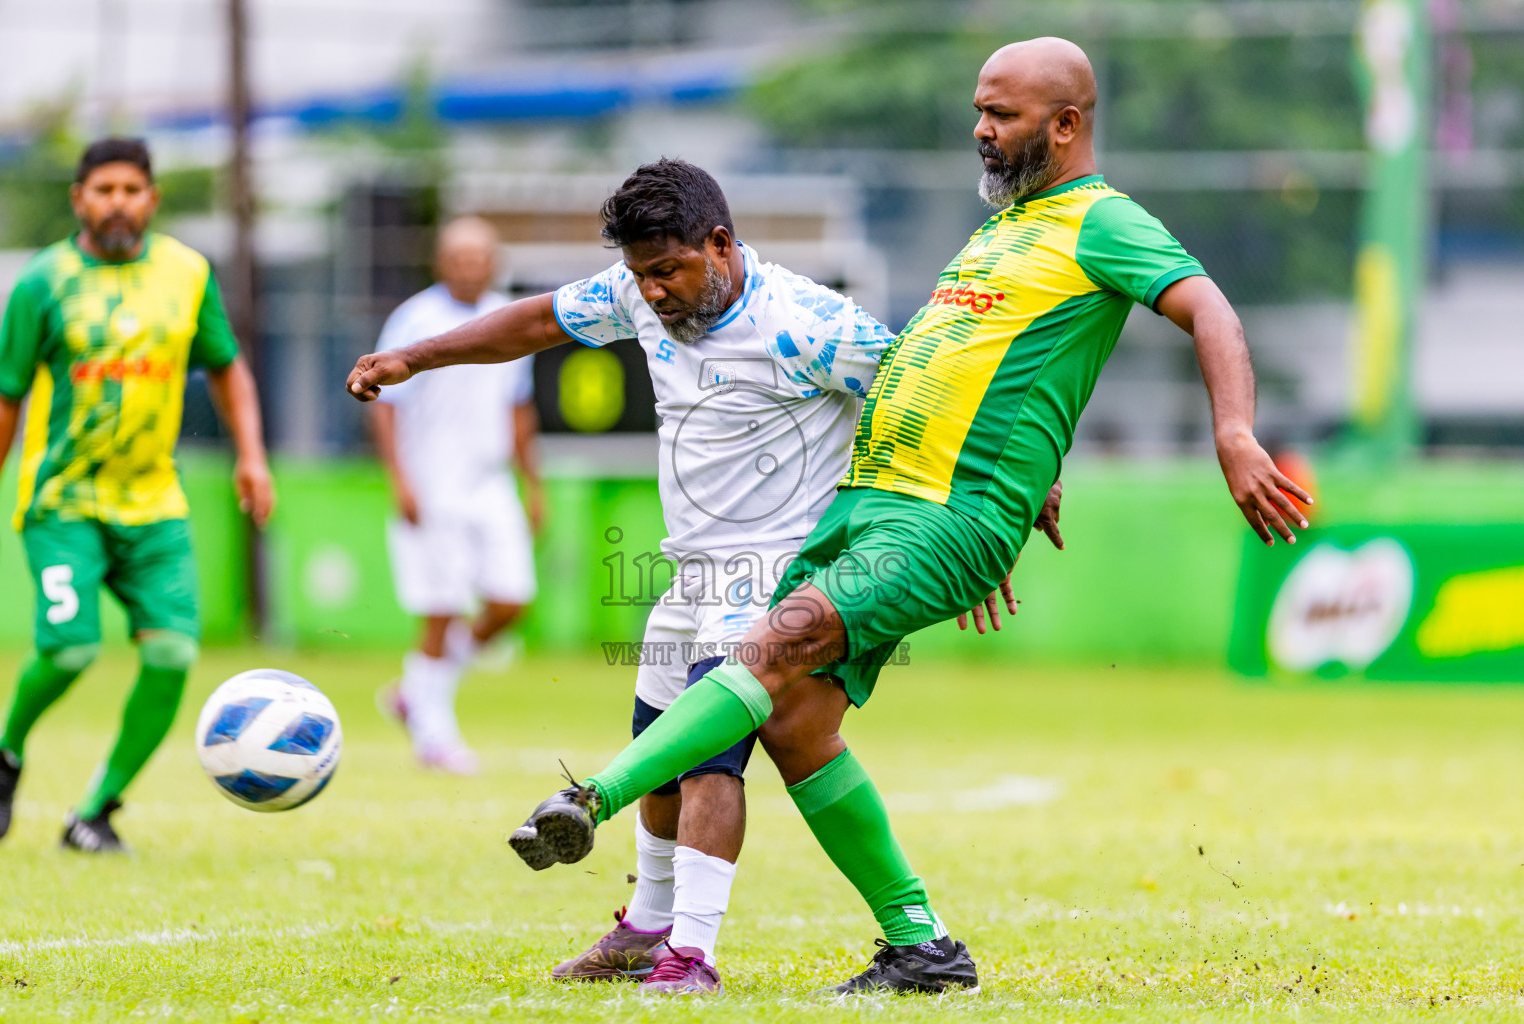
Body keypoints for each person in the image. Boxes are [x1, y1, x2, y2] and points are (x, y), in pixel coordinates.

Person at [491, 36, 1315, 995]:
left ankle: (593, 797)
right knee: (796, 721)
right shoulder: (1005, 229)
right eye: (979, 108)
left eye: (1001, 115)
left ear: (1066, 125)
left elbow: (1208, 306)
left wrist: (1234, 433)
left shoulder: (1103, 221)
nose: (980, 129)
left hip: (943, 513)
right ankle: (921, 947)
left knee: (770, 649)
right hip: (874, 502)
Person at [346, 159, 1007, 995]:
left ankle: (690, 954)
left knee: (706, 762)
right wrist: (415, 357)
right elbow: (536, 323)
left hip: (779, 574)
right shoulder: (636, 291)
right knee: (681, 745)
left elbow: (936, 403)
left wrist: (997, 511)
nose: (652, 293)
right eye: (639, 275)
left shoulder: (811, 323)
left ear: (721, 245)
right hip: (691, 569)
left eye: (668, 272)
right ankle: (660, 928)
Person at [0, 137, 274, 853]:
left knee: (173, 657)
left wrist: (252, 458)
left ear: (152, 198)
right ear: (79, 199)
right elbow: (2, 401)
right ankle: (3, 750)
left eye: (131, 189)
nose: (118, 201)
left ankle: (96, 811)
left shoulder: (187, 273)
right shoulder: (41, 282)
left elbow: (227, 367)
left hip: (153, 505)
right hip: (63, 503)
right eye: (103, 189)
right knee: (71, 650)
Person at [369, 217, 543, 775]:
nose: (470, 266)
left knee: (512, 601)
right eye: (459, 257)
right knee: (441, 609)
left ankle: (415, 693)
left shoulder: (509, 317)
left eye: (480, 257)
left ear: (494, 262)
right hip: (434, 479)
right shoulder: (415, 318)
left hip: (491, 481)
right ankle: (434, 734)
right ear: (441, 262)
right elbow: (386, 405)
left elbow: (519, 405)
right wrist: (400, 478)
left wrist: (531, 483)